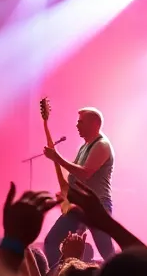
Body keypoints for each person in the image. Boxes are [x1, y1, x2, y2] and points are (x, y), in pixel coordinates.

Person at [42, 107, 115, 267]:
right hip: (80, 206)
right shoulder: (85, 146)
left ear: (94, 124)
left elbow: (85, 174)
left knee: (107, 253)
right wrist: (66, 195)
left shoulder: (101, 145)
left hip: (98, 206)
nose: (76, 125)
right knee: (51, 242)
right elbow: (73, 175)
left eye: (80, 122)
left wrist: (57, 157)